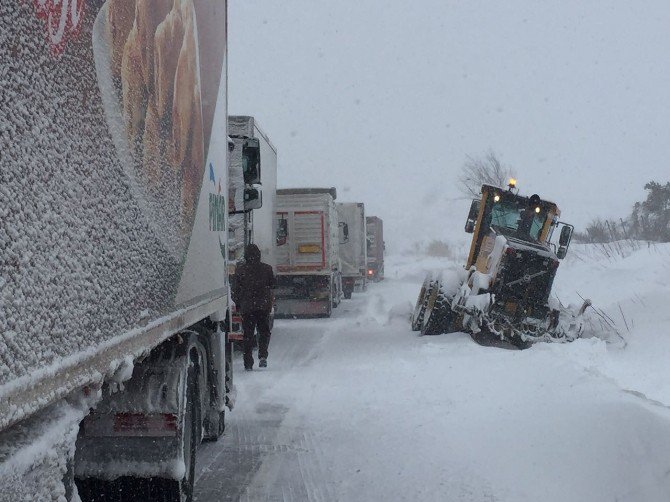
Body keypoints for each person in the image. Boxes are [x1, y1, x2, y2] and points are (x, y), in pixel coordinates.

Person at [232, 244, 276, 370]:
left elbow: (235, 290)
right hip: (263, 306)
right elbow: (273, 284)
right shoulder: (267, 269)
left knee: (248, 335)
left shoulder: (240, 270)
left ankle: (248, 362)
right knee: (264, 332)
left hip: (247, 308)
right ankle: (262, 356)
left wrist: (238, 304)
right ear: (259, 255)